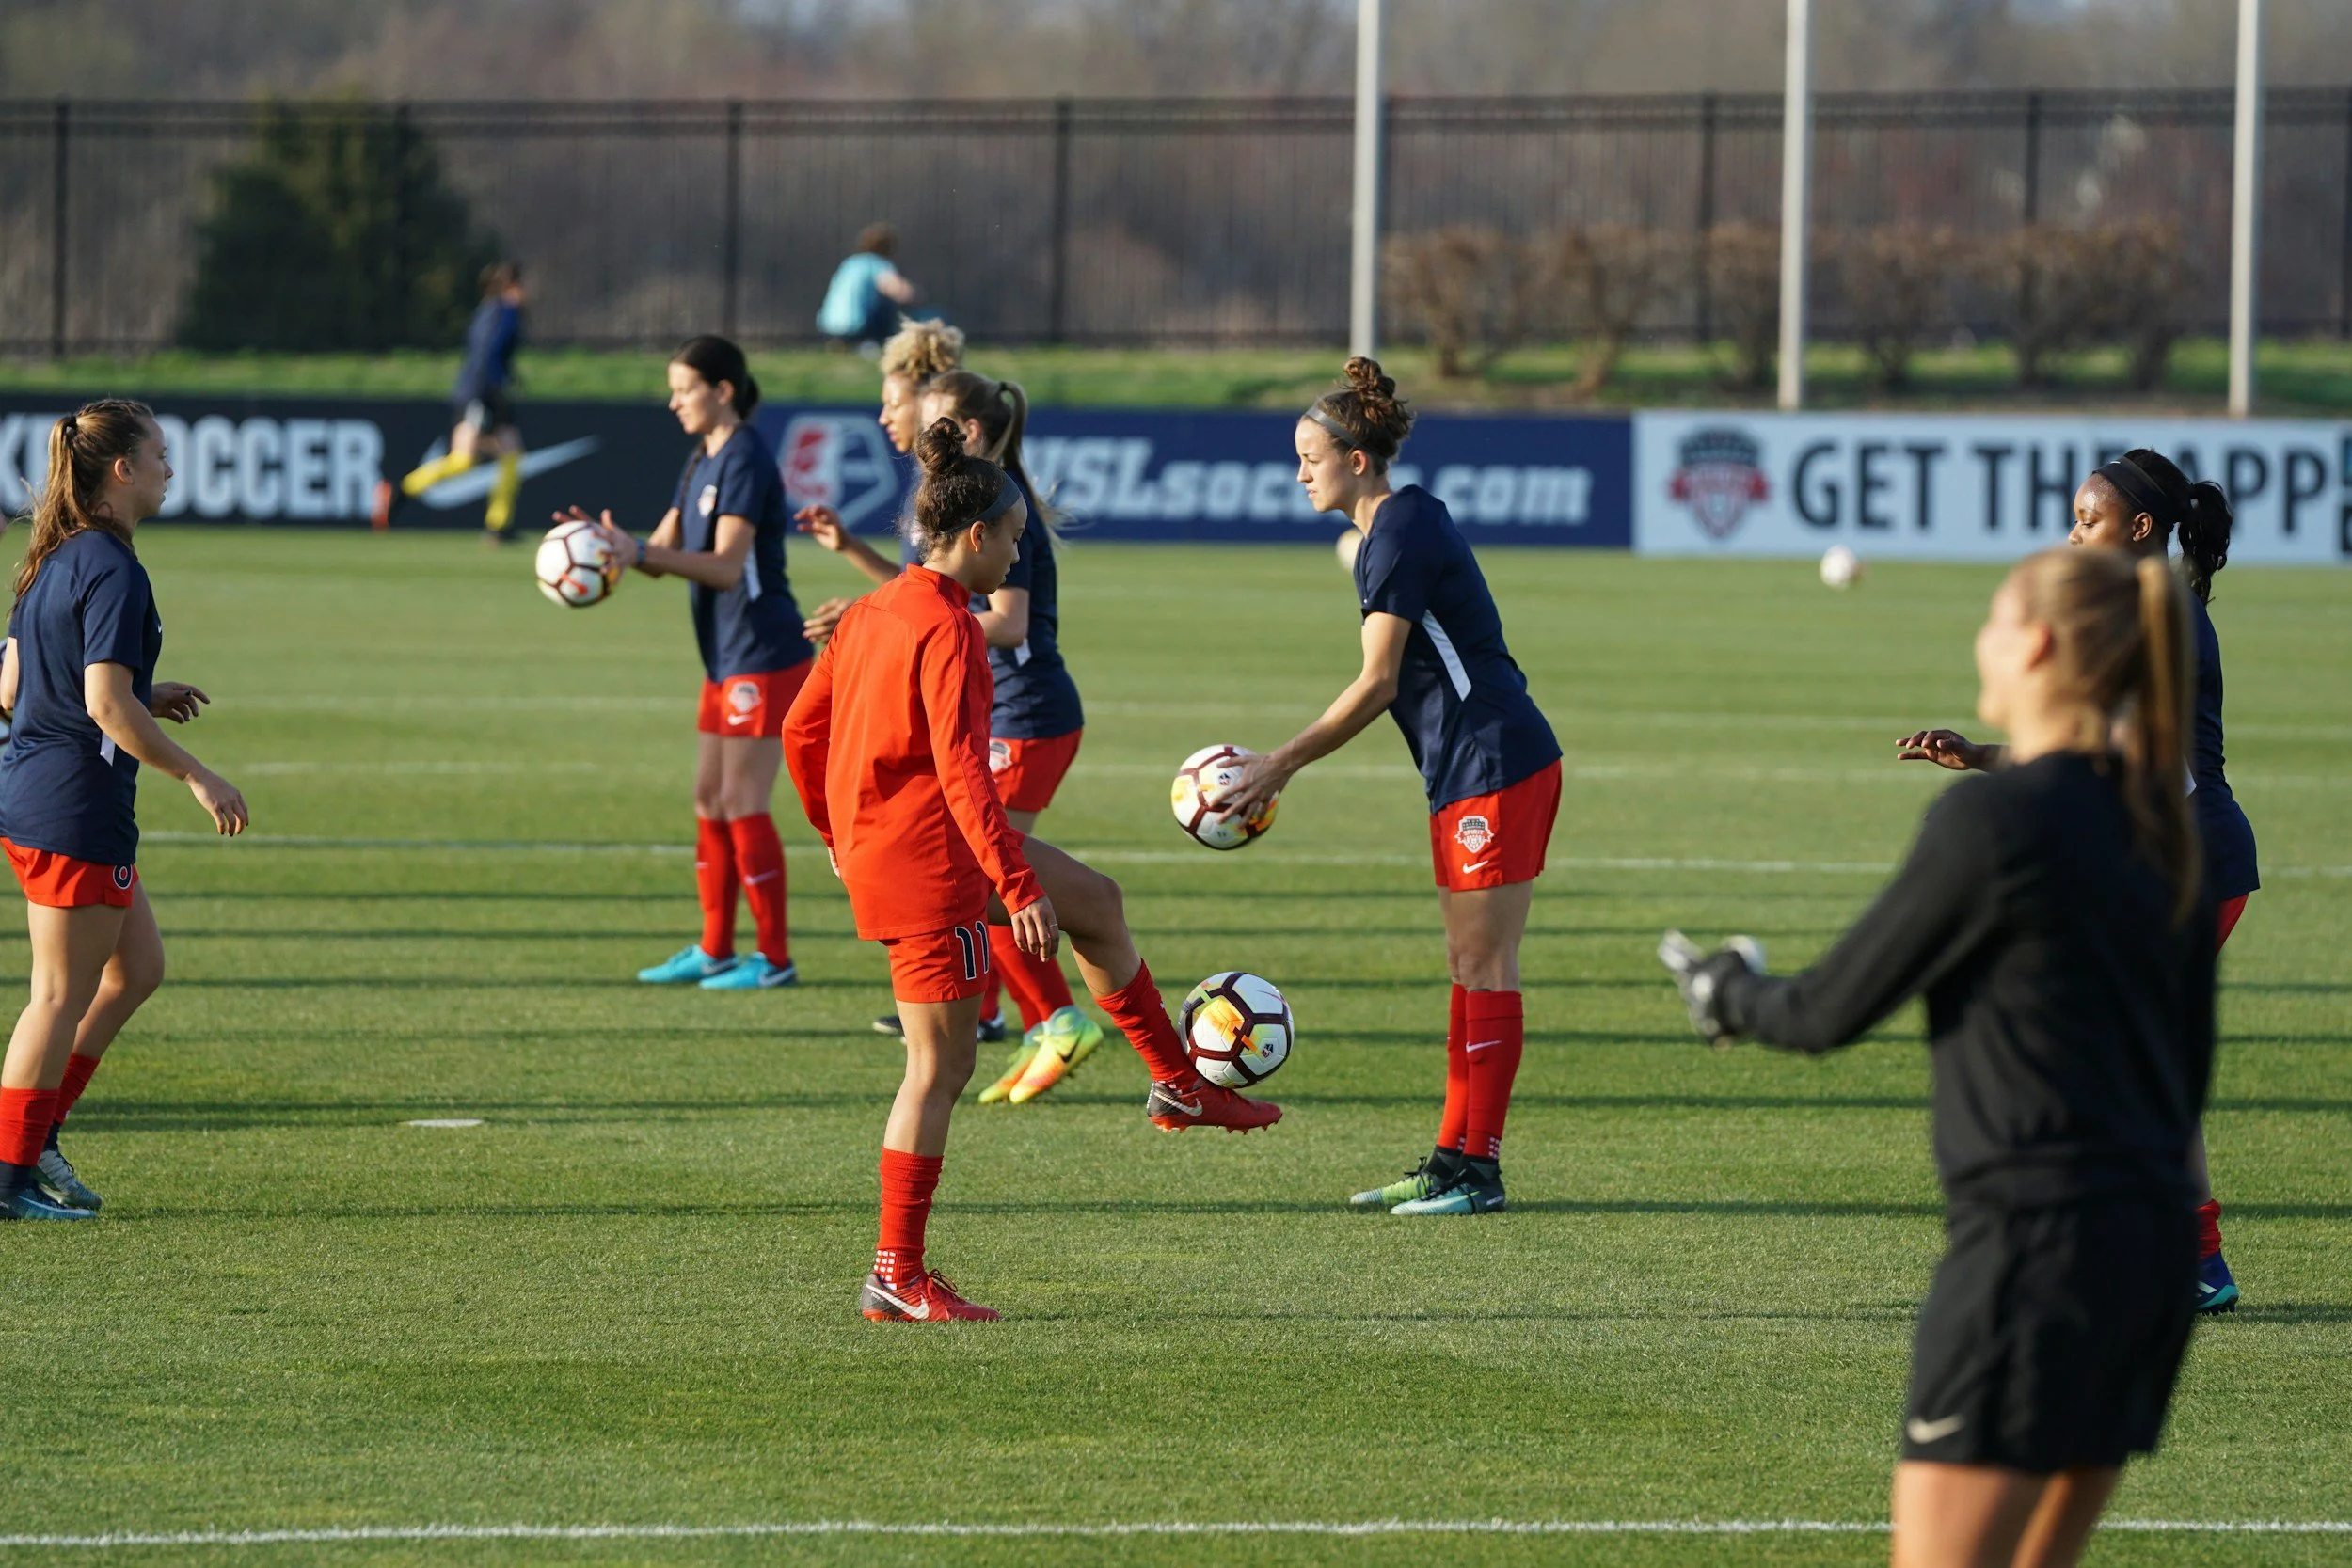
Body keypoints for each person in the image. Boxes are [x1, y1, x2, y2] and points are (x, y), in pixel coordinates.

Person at [1661, 545, 2213, 1568]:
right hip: (2151, 1264)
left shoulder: (1992, 821)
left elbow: (1826, 1008)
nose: (1980, 638)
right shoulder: (2159, 825)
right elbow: (2189, 1074)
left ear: (2037, 644)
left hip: (2031, 1259)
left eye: (1994, 618)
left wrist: (1722, 988)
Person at [783, 420, 1279, 1323]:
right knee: (940, 1066)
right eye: (1014, 536)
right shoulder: (951, 631)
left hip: (901, 841)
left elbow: (799, 731)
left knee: (1096, 902)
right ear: (975, 535)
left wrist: (830, 826)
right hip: (928, 860)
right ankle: (895, 1272)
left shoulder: (871, 609)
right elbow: (966, 772)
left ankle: (1178, 1084)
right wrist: (1013, 887)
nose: (1020, 552)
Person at [1896, 449, 2251, 1316]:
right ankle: (2182, 1256)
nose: (2070, 533)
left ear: (2139, 529)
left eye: (2086, 520)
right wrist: (1982, 755)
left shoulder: (2153, 616)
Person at [1218, 358, 1561, 1217]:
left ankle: (1478, 1170)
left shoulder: (1402, 527)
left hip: (1495, 760)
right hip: (1464, 766)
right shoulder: (1393, 531)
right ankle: (1452, 1157)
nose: (1299, 471)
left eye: (1310, 455)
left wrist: (1278, 762)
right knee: (1467, 962)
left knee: (1487, 962)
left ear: (1357, 459)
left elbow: (1376, 683)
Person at [802, 368, 1101, 1101]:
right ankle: (1006, 1010)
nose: (905, 424)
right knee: (983, 865)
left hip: (1027, 711)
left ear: (972, 429)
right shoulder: (969, 508)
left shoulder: (1001, 512)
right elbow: (922, 594)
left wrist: (901, 631)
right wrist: (864, 592)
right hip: (1001, 711)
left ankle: (1059, 1018)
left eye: (930, 414)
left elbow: (1005, 619)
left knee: (990, 865)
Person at [0, 400, 249, 1220]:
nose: (170, 470)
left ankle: (38, 1139)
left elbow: (12, 690)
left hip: (53, 798)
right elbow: (104, 704)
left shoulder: (55, 556)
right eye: (160, 456)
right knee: (58, 996)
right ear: (122, 471)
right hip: (72, 808)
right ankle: (11, 1171)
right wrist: (198, 776)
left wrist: (145, 692)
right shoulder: (108, 565)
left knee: (137, 968)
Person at [565, 335, 810, 991]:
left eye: (683, 389)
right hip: (725, 658)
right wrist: (610, 547)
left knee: (741, 799)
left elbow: (727, 567)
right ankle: (715, 949)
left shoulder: (748, 459)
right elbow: (665, 545)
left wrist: (642, 553)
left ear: (722, 390)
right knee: (708, 797)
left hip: (764, 651)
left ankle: (775, 960)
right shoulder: (702, 456)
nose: (673, 402)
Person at [375, 261, 530, 539]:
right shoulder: (505, 311)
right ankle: (400, 491)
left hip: (484, 391)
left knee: (511, 453)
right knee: (462, 460)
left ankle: (499, 526)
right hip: (482, 393)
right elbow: (488, 354)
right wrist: (495, 388)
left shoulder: (487, 310)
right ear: (512, 286)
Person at [817, 224, 920, 349]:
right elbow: (900, 292)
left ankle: (840, 342)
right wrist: (917, 296)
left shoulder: (851, 263)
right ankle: (872, 342)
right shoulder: (878, 264)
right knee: (887, 302)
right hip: (858, 326)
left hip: (829, 325)